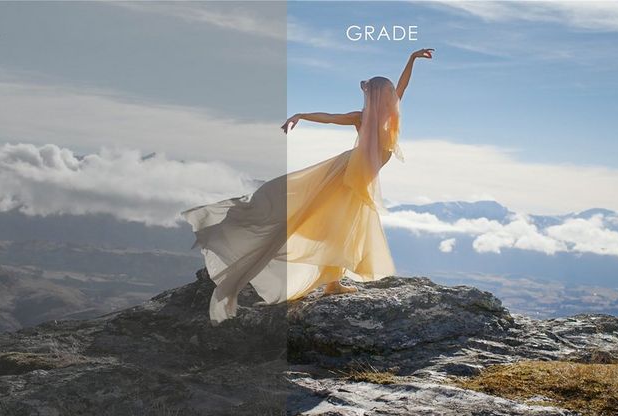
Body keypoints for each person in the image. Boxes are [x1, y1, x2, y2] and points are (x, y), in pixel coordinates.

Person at [181, 48, 434, 325]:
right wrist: (301, 114)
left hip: (358, 181)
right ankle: (327, 280)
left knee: (343, 229)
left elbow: (402, 85)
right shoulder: (362, 118)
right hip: (345, 178)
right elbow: (328, 117)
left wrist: (411, 59)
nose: (391, 97)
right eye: (386, 93)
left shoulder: (387, 119)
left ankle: (332, 282)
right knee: (324, 223)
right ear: (381, 97)